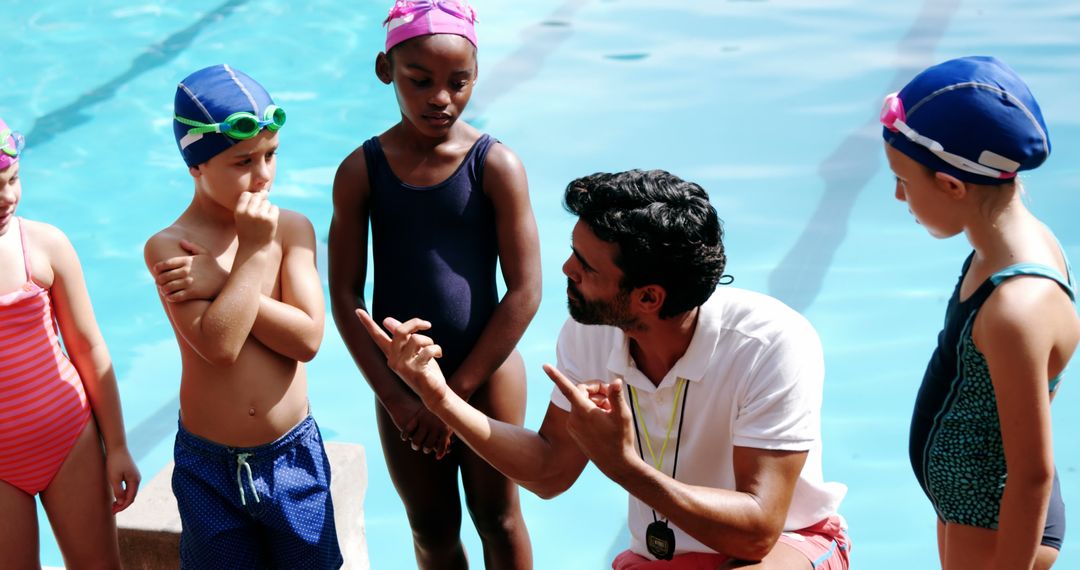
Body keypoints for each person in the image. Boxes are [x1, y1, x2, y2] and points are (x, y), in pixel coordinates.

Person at [359, 169, 850, 569]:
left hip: (789, 545)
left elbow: (759, 531)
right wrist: (440, 397)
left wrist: (623, 466)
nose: (568, 270)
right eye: (574, 252)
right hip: (664, 558)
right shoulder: (592, 329)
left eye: (587, 266)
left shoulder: (770, 344)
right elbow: (550, 472)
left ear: (648, 298)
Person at [329, 1, 542, 568]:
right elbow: (346, 297)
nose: (440, 98)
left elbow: (525, 292)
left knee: (498, 518)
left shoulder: (495, 166)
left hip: (488, 375)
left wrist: (454, 394)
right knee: (430, 529)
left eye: (458, 82)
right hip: (402, 387)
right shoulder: (361, 171)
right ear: (385, 70)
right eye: (419, 81)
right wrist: (401, 401)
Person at [881, 56, 1079, 569]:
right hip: (971, 503)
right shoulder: (1003, 245)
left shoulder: (1017, 307)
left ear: (952, 185)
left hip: (995, 524)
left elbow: (1030, 474)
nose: (898, 194)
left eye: (903, 179)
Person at [144, 65, 342, 569]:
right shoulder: (170, 248)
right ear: (196, 165)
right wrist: (252, 255)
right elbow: (220, 346)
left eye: (271, 155)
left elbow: (307, 339)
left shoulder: (294, 229)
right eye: (243, 161)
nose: (264, 175)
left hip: (291, 456)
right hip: (209, 467)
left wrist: (224, 281)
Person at [0, 116, 140, 567]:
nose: (7, 197)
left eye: (13, 180)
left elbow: (88, 347)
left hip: (69, 437)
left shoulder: (43, 244)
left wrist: (116, 445)